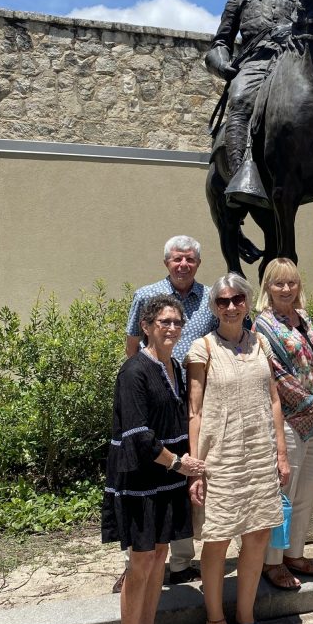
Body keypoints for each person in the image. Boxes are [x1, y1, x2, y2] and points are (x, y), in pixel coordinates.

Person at [186, 273, 291, 624]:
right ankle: (215, 623)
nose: (230, 306)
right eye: (222, 301)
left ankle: (246, 618)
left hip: (260, 454)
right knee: (216, 541)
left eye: (237, 300)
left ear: (247, 302)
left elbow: (274, 400)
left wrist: (281, 452)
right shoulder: (203, 349)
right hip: (221, 458)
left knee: (258, 535)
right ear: (214, 307)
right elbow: (194, 411)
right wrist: (195, 467)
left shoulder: (261, 342)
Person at [101, 294, 204, 624]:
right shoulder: (133, 372)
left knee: (160, 557)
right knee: (140, 563)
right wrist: (180, 463)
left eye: (177, 322)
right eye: (164, 322)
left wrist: (185, 469)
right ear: (146, 326)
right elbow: (138, 436)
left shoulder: (174, 367)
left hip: (167, 480)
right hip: (140, 480)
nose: (172, 328)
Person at [118, 234, 215, 591]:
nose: (183, 264)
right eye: (177, 259)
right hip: (155, 391)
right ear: (166, 262)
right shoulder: (146, 295)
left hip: (192, 394)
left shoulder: (210, 298)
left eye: (190, 259)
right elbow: (132, 346)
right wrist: (147, 389)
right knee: (150, 468)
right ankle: (136, 562)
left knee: (182, 474)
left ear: (198, 263)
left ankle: (181, 562)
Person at [252, 258, 313, 590]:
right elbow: (277, 375)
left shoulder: (305, 318)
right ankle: (272, 562)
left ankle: (294, 554)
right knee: (282, 495)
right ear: (267, 287)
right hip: (286, 421)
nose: (286, 289)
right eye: (278, 283)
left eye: (292, 283)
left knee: (307, 493)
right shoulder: (263, 325)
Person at [205, 0, 299, 194]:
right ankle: (240, 178)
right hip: (255, 64)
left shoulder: (298, 1)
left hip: (291, 62)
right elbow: (220, 42)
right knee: (241, 100)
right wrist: (223, 65)